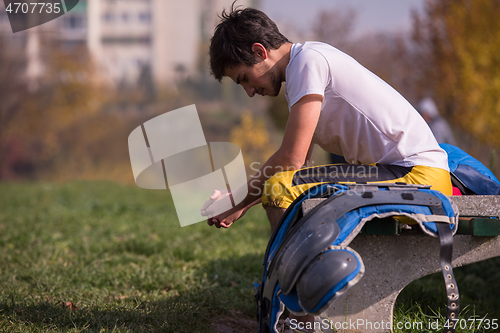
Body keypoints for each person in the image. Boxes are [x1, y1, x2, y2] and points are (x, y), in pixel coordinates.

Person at [201, 5, 452, 330]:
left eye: (245, 79)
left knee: (278, 187)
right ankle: (299, 310)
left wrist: (235, 199)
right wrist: (242, 204)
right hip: (405, 174)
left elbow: (290, 159)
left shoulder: (308, 62)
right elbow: (300, 167)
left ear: (260, 51)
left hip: (417, 179)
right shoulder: (302, 71)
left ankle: (302, 320)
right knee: (283, 187)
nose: (250, 92)